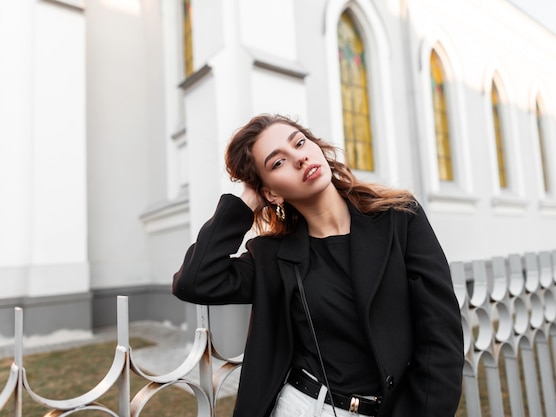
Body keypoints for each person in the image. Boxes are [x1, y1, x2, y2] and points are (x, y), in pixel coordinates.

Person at [172, 114, 464, 417]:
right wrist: (246, 201)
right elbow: (195, 280)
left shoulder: (400, 219)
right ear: (271, 193)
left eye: (299, 142)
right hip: (300, 406)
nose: (299, 158)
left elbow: (441, 336)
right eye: (277, 163)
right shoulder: (272, 256)